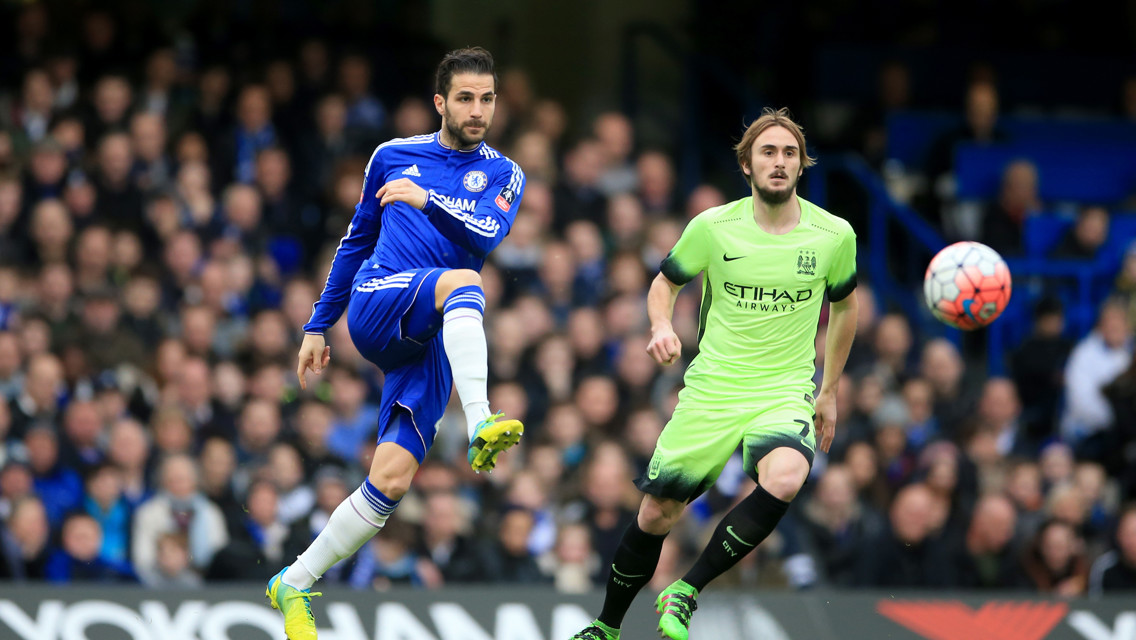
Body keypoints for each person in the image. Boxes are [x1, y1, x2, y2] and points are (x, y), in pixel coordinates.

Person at [266, 47, 526, 640]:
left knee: (391, 480)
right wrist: (317, 324)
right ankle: (481, 421)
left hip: (429, 335)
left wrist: (427, 201)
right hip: (378, 299)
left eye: (487, 99)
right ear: (440, 102)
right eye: (465, 98)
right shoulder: (392, 157)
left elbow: (485, 234)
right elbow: (357, 241)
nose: (478, 110)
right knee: (466, 283)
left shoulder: (504, 173)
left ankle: (294, 581)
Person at [572, 107, 858, 640]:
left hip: (784, 390)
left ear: (802, 165)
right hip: (714, 390)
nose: (779, 161)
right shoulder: (713, 226)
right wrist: (661, 325)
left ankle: (686, 589)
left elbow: (844, 308)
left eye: (790, 153)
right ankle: (606, 626)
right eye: (768, 152)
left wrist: (830, 390)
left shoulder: (833, 235)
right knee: (656, 514)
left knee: (787, 477)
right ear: (747, 165)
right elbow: (664, 283)